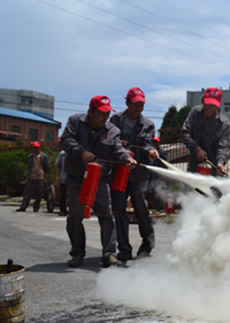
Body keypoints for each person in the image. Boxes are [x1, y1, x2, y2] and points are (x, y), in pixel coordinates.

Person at [60, 95, 136, 268]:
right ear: (90, 111)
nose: (105, 117)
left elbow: (118, 149)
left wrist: (127, 159)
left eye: (107, 113)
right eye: (101, 113)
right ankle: (77, 253)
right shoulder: (75, 122)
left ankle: (109, 254)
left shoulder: (113, 130)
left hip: (100, 180)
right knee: (75, 216)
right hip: (77, 179)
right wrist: (81, 151)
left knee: (106, 215)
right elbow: (65, 140)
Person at [110, 87, 158, 262]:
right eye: (135, 104)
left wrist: (151, 150)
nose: (138, 108)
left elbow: (147, 142)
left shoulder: (148, 124)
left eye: (141, 105)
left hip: (139, 173)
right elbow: (110, 139)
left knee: (141, 207)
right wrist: (118, 143)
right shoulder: (115, 119)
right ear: (127, 103)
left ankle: (147, 242)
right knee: (119, 209)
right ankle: (124, 248)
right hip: (119, 172)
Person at [181, 87, 230, 177]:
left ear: (218, 105)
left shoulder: (224, 124)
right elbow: (185, 133)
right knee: (190, 190)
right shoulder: (195, 114)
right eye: (208, 104)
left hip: (214, 172)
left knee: (211, 191)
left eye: (214, 105)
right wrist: (197, 149)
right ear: (203, 100)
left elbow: (222, 147)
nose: (210, 108)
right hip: (193, 168)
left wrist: (220, 163)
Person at [16, 141, 50, 212]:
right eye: (34, 148)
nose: (36, 149)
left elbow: (47, 167)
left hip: (40, 176)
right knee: (28, 193)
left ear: (40, 147)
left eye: (37, 147)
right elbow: (29, 166)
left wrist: (46, 175)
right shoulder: (30, 156)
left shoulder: (44, 157)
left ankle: (36, 207)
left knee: (39, 193)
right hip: (32, 176)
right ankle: (23, 206)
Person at [150, 136, 169, 211]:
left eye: (156, 142)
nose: (154, 143)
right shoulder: (151, 151)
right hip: (153, 174)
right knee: (154, 191)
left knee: (161, 189)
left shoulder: (162, 152)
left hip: (160, 174)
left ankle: (162, 207)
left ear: (159, 143)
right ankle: (156, 206)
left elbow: (165, 163)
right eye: (153, 142)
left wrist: (163, 173)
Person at [55, 140, 68, 216]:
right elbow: (57, 165)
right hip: (63, 178)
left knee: (72, 195)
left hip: (72, 178)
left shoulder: (74, 153)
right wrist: (57, 176)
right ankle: (62, 210)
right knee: (63, 195)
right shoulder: (62, 154)